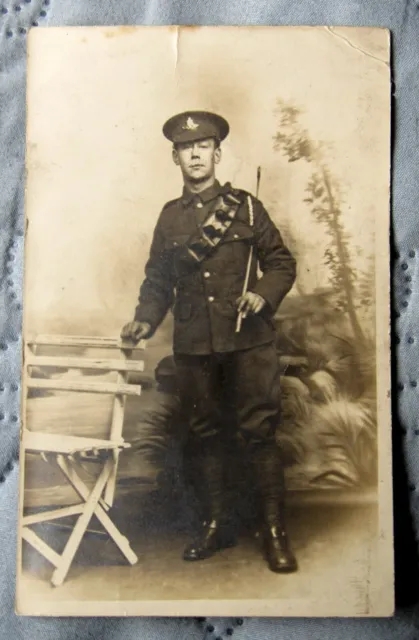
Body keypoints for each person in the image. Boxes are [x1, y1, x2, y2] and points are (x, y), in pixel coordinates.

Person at [121, 110, 298, 572]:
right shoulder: (169, 218)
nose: (195, 154)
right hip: (196, 345)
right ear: (175, 157)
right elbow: (158, 280)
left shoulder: (246, 207)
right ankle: (217, 526)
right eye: (186, 148)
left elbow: (280, 262)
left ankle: (275, 533)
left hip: (249, 342)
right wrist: (144, 320)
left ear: (217, 154)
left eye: (203, 147)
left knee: (258, 433)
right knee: (204, 435)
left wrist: (261, 293)